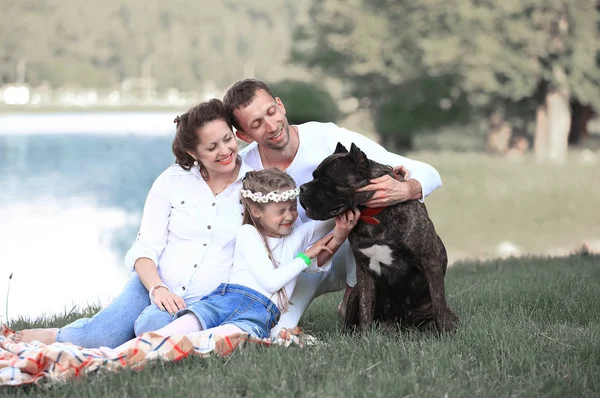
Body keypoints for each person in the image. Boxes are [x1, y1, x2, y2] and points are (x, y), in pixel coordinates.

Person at [15, 99, 254, 348]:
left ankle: (135, 329)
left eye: (227, 139)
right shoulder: (172, 181)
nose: (225, 151)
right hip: (152, 285)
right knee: (95, 339)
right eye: (212, 147)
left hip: (206, 304)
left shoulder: (253, 186)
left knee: (151, 326)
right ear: (194, 153)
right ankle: (60, 335)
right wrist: (157, 289)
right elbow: (145, 248)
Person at [222, 78, 443, 336]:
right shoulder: (245, 169)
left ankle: (353, 301)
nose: (271, 126)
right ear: (244, 136)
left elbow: (428, 172)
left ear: (280, 105)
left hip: (342, 254)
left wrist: (407, 188)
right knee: (276, 329)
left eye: (271, 112)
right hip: (289, 265)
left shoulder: (326, 137)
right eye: (257, 124)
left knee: (361, 226)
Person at [102, 168, 359, 356]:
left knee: (201, 344)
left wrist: (344, 225)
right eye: (280, 211)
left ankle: (121, 360)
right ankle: (105, 358)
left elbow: (335, 215)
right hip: (226, 300)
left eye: (292, 208)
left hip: (258, 315)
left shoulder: (298, 234)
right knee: (163, 336)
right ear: (256, 211)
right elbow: (270, 281)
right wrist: (306, 255)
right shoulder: (248, 233)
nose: (290, 216)